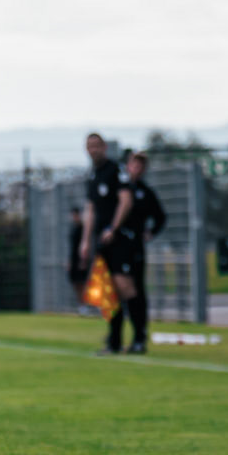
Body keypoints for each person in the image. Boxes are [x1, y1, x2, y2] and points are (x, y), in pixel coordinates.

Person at [80, 132, 135, 355]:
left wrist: (113, 228)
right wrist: (85, 240)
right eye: (90, 146)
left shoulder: (116, 170)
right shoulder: (93, 176)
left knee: (125, 287)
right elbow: (91, 209)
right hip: (101, 242)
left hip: (120, 238)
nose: (94, 150)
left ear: (104, 147)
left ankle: (139, 336)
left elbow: (125, 200)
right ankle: (114, 341)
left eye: (97, 146)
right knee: (108, 290)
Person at [120, 151, 167, 352]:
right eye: (133, 164)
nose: (136, 169)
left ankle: (139, 335)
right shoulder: (120, 189)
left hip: (135, 247)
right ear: (128, 165)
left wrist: (150, 233)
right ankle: (116, 335)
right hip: (118, 246)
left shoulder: (145, 192)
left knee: (136, 291)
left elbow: (160, 217)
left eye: (140, 166)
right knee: (119, 290)